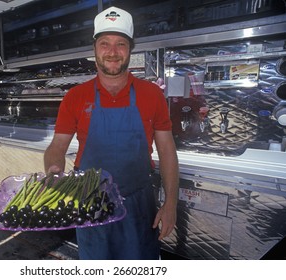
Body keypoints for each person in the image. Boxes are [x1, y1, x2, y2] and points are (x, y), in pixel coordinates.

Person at [44, 6, 179, 260]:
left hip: (139, 206)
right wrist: (53, 168)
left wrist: (171, 203)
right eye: (105, 43)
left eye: (121, 44)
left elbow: (168, 151)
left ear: (130, 49)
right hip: (90, 203)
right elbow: (57, 146)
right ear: (94, 49)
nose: (113, 52)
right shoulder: (75, 97)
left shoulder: (152, 94)